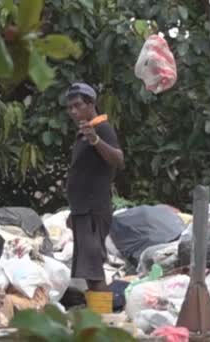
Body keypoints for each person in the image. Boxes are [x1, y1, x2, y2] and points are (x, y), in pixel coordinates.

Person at [65, 82, 124, 296]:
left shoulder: (101, 129)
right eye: (70, 107)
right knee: (89, 273)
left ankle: (105, 320)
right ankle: (100, 319)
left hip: (93, 211)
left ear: (91, 104)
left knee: (94, 271)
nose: (73, 111)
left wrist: (96, 140)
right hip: (82, 211)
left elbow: (118, 159)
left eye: (78, 105)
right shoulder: (85, 132)